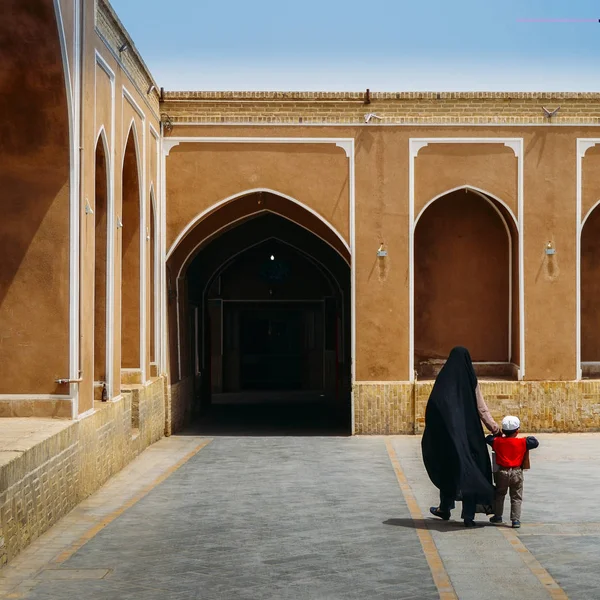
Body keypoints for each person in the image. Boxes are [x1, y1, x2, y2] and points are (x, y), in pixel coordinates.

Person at [422, 346, 500, 527]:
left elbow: (435, 404)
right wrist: (494, 428)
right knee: (471, 470)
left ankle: (445, 508)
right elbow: (481, 409)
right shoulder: (470, 380)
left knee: (448, 468)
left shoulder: (443, 379)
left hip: (449, 436)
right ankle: (468, 516)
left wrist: (438, 430)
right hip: (470, 436)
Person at [486, 415, 539, 529]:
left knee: (499, 495)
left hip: (502, 473)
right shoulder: (523, 442)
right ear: (517, 431)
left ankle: (498, 516)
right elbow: (534, 442)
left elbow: (488, 438)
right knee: (516, 496)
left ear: (504, 430)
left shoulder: (497, 441)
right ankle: (515, 520)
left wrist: (498, 434)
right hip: (517, 472)